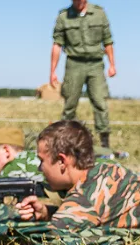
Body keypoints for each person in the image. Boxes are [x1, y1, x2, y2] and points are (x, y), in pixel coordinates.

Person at [51, 0, 116, 149]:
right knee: (70, 104)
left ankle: (105, 143)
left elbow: (108, 41)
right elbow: (57, 44)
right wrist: (52, 71)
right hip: (74, 63)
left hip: (95, 64)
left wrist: (112, 65)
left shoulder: (99, 13)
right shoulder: (63, 17)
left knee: (100, 102)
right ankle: (66, 140)